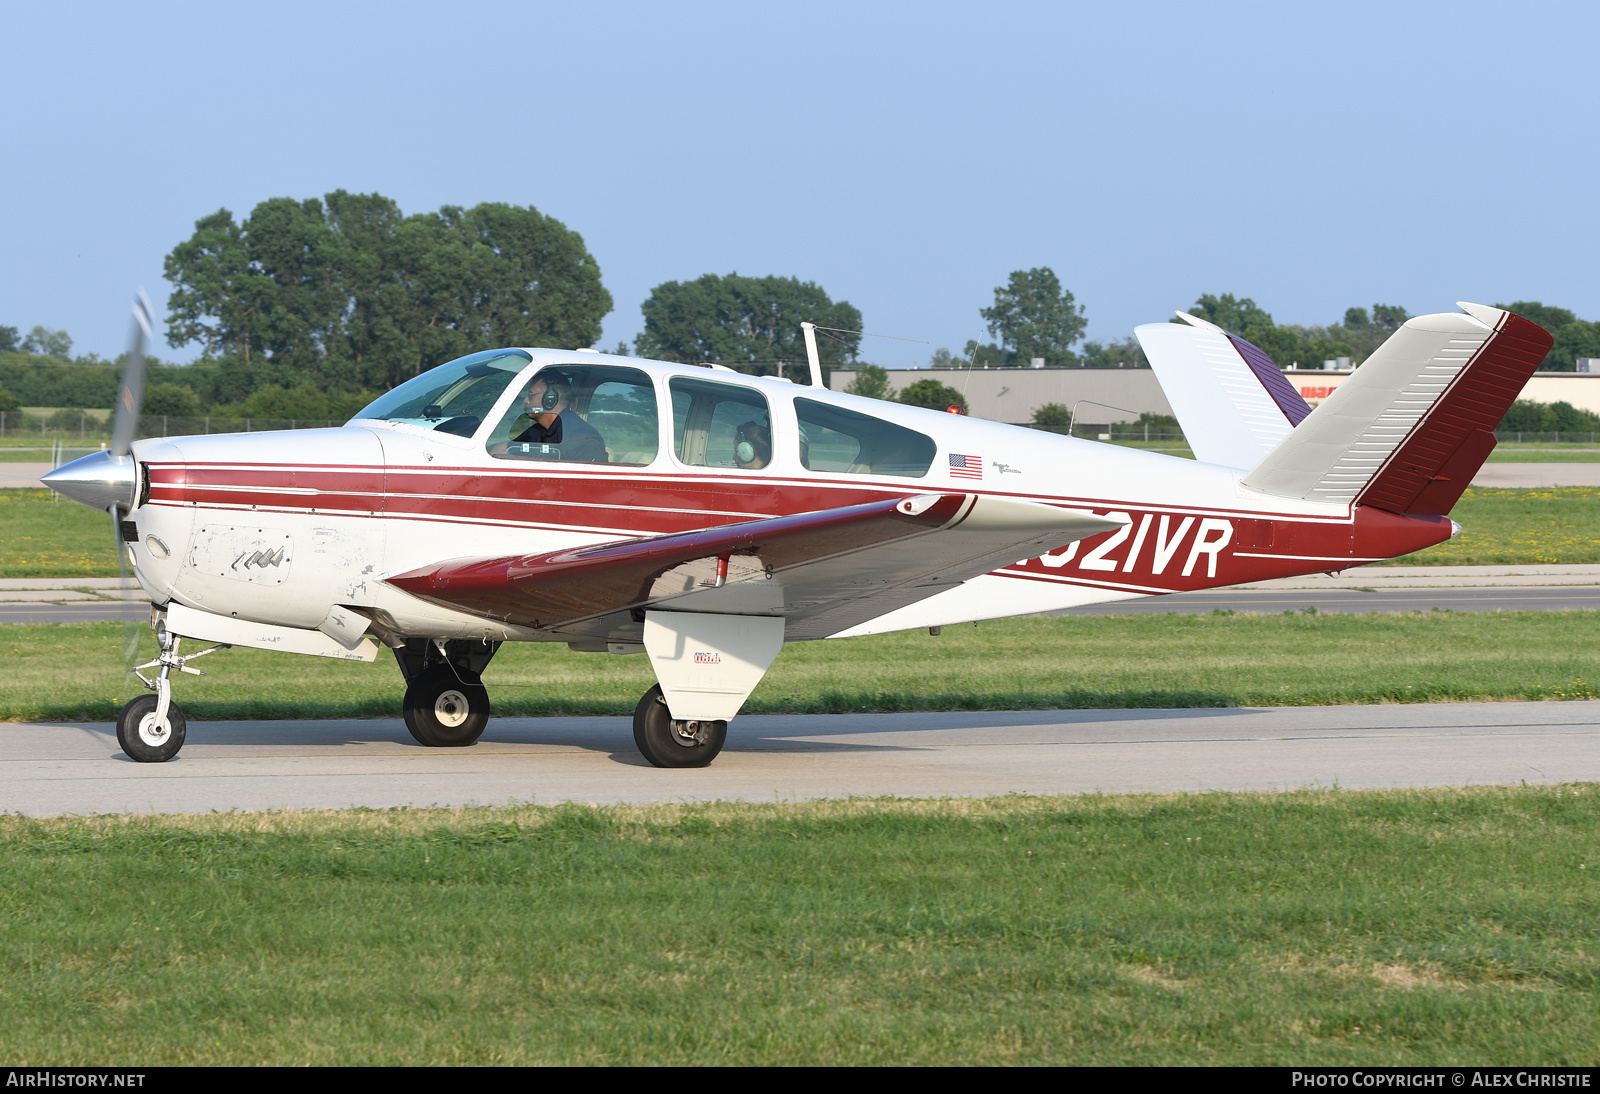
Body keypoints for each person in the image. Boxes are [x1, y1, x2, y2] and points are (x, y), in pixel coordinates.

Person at [504, 371, 607, 463]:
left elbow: (591, 481)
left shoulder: (580, 437)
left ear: (550, 399)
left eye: (531, 395)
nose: (526, 400)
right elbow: (509, 447)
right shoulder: (539, 430)